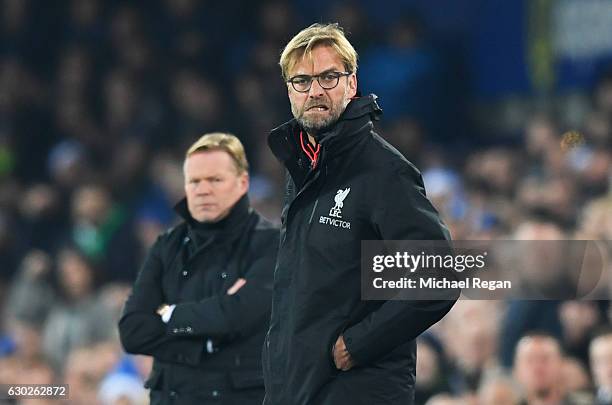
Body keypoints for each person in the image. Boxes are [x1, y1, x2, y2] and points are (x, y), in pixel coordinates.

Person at [262, 23, 457, 405]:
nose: (315, 91)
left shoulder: (383, 169)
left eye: (328, 77)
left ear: (352, 85)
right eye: (302, 81)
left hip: (359, 391)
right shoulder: (303, 168)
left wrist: (357, 343)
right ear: (289, 92)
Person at [118, 133, 278, 404]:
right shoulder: (166, 246)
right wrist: (208, 336)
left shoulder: (271, 243)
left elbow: (238, 315)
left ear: (242, 183)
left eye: (215, 180)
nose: (203, 190)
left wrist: (169, 314)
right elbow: (133, 333)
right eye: (194, 181)